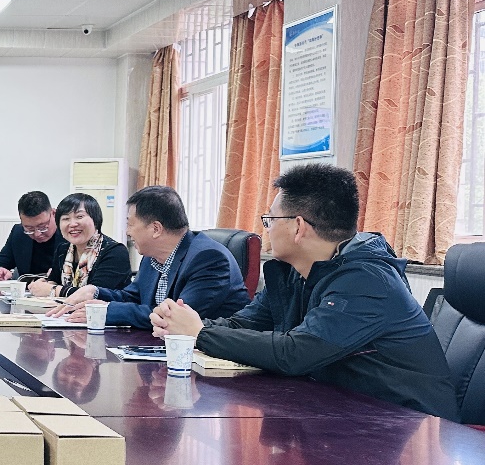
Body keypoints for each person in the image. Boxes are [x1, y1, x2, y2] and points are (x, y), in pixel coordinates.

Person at [150, 163, 459, 420]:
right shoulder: (294, 272)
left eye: (270, 220)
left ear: (298, 226)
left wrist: (200, 333)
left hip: (410, 425)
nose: (267, 229)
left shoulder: (367, 281)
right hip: (343, 412)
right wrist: (181, 324)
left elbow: (295, 353)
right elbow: (244, 323)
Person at [46, 185, 248, 328]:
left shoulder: (209, 259)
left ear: (156, 229)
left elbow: (174, 317)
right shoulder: (152, 256)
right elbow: (133, 297)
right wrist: (95, 292)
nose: (127, 232)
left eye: (130, 224)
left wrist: (107, 311)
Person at [28, 192, 131, 298]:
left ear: (95, 220)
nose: (72, 224)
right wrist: (42, 285)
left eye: (79, 216)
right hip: (65, 308)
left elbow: (95, 294)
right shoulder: (62, 250)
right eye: (66, 219)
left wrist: (53, 290)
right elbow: (54, 281)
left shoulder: (115, 252)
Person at [0, 191, 63, 281]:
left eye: (42, 227)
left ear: (53, 214)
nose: (37, 234)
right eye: (29, 229)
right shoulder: (19, 233)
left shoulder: (68, 235)